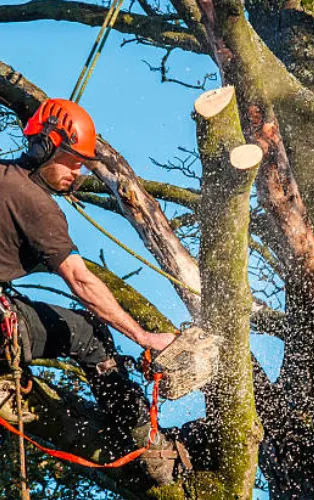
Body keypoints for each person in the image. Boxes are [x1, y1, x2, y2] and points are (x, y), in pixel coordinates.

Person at [0, 98, 180, 482]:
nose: (78, 170)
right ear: (45, 146)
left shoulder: (4, 178)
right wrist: (143, 336)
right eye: (72, 159)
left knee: (26, 307)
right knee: (89, 332)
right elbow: (80, 280)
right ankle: (147, 448)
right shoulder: (35, 203)